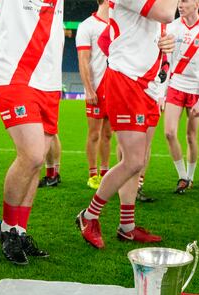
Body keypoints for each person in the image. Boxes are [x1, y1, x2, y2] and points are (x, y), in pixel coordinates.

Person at [76, 0, 178, 249]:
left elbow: (105, 40)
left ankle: (127, 226)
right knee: (132, 161)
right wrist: (126, 58)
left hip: (148, 85)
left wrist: (163, 44)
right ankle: (88, 216)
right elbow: (166, 13)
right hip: (127, 83)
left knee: (138, 160)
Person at [0, 0, 65, 264]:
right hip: (15, 75)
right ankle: (7, 229)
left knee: (38, 160)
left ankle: (20, 231)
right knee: (31, 156)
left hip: (50, 79)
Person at [161, 0, 199, 194]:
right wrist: (162, 92)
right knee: (169, 132)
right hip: (175, 86)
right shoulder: (172, 26)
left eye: (184, 1)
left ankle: (191, 177)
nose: (180, 5)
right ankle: (182, 176)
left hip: (195, 91)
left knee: (191, 136)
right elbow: (166, 61)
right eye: (178, 1)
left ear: (196, 3)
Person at [76, 0, 112, 190]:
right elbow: (83, 60)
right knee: (94, 134)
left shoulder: (118, 24)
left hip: (115, 88)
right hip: (96, 88)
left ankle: (105, 173)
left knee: (108, 134)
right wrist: (89, 89)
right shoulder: (86, 26)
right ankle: (92, 174)